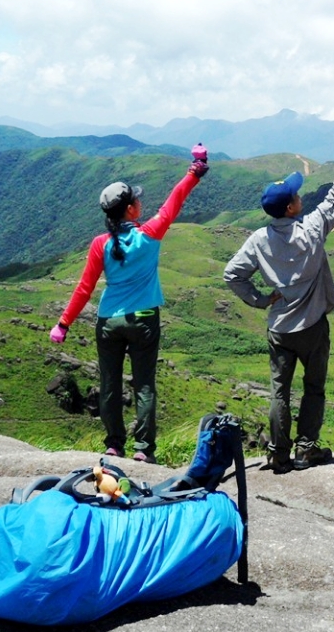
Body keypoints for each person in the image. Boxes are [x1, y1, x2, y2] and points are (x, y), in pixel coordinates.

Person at [50, 144, 211, 463]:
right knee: (144, 384)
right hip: (143, 319)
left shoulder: (100, 244)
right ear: (131, 210)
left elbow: (85, 288)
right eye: (136, 199)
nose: (141, 201)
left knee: (109, 384)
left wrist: (63, 324)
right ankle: (144, 451)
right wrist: (194, 172)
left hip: (109, 321)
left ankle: (114, 445)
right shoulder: (149, 235)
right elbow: (173, 203)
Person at [224, 126, 334, 474]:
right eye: (298, 196)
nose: (303, 198)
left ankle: (278, 454)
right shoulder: (313, 228)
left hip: (280, 329)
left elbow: (232, 274)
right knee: (313, 388)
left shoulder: (258, 240)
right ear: (290, 207)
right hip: (314, 327)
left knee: (279, 392)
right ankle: (306, 449)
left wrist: (260, 300)